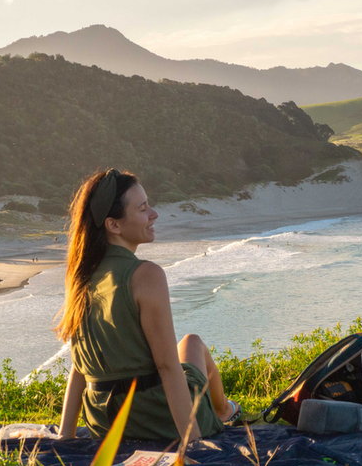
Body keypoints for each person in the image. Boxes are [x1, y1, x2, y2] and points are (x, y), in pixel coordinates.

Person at [57, 169, 239, 441]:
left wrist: (66, 437)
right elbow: (167, 366)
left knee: (187, 348)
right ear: (114, 225)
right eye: (143, 209)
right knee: (192, 344)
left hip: (104, 422)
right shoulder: (146, 275)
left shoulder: (81, 275)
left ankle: (223, 409)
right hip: (153, 417)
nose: (154, 214)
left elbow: (79, 368)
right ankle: (223, 411)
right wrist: (193, 443)